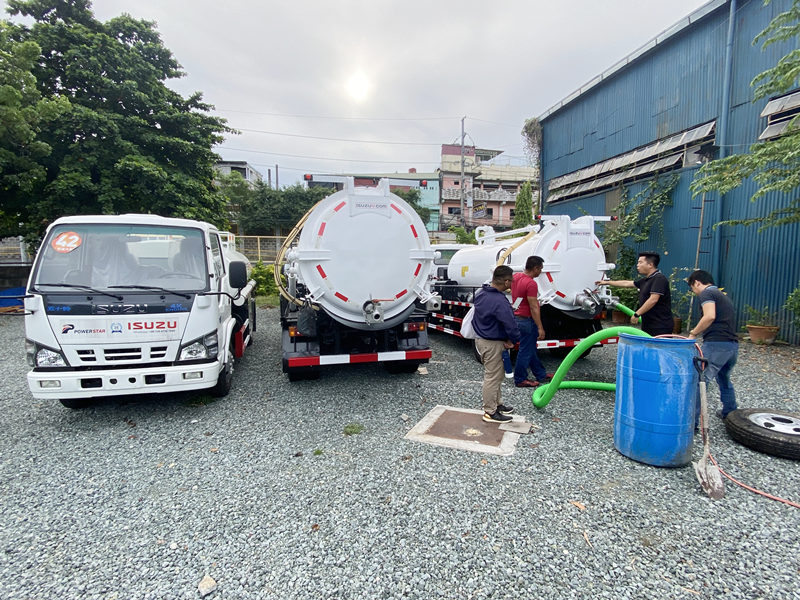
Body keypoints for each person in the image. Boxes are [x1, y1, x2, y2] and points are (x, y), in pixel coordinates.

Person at [687, 269, 739, 419]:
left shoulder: (707, 293)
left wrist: (693, 333)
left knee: (700, 380)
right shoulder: (723, 296)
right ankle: (730, 411)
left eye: (693, 288)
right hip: (731, 346)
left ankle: (692, 421)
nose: (695, 292)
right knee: (723, 378)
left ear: (697, 282)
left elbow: (709, 316)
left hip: (717, 344)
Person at [472, 265, 521, 423]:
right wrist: (513, 340)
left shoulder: (481, 294)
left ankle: (497, 404)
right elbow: (510, 324)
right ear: (506, 281)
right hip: (493, 342)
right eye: (511, 281)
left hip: (482, 339)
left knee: (497, 375)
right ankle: (490, 412)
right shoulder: (499, 300)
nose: (512, 283)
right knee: (492, 377)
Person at [596, 251, 673, 336]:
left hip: (660, 326)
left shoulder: (659, 279)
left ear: (650, 265)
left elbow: (653, 300)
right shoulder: (646, 280)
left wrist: (637, 314)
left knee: (659, 348)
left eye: (640, 262)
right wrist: (607, 282)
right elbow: (627, 283)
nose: (637, 265)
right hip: (649, 324)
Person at [511, 255, 551, 388]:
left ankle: (540, 374)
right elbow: (534, 307)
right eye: (540, 269)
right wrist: (540, 327)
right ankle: (520, 378)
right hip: (527, 321)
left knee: (530, 348)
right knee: (525, 350)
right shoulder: (531, 283)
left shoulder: (515, 277)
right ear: (535, 268)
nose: (541, 272)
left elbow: (517, 299)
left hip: (517, 318)